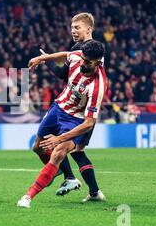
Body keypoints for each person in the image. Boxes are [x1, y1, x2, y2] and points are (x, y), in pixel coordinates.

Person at [17, 40, 107, 208]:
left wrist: (60, 139)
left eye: (88, 62)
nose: (83, 63)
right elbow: (66, 54)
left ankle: (28, 196)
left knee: (58, 152)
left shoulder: (97, 86)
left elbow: (88, 123)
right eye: (83, 59)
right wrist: (42, 59)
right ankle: (69, 177)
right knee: (38, 148)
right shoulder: (79, 56)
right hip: (58, 108)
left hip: (76, 120)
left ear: (98, 62)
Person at [45, 13, 104, 197]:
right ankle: (94, 192)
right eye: (72, 27)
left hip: (77, 112)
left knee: (57, 142)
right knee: (77, 151)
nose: (73, 30)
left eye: (77, 27)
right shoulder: (96, 50)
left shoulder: (87, 51)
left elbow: (63, 74)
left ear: (88, 29)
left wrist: (47, 61)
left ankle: (71, 179)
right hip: (85, 109)